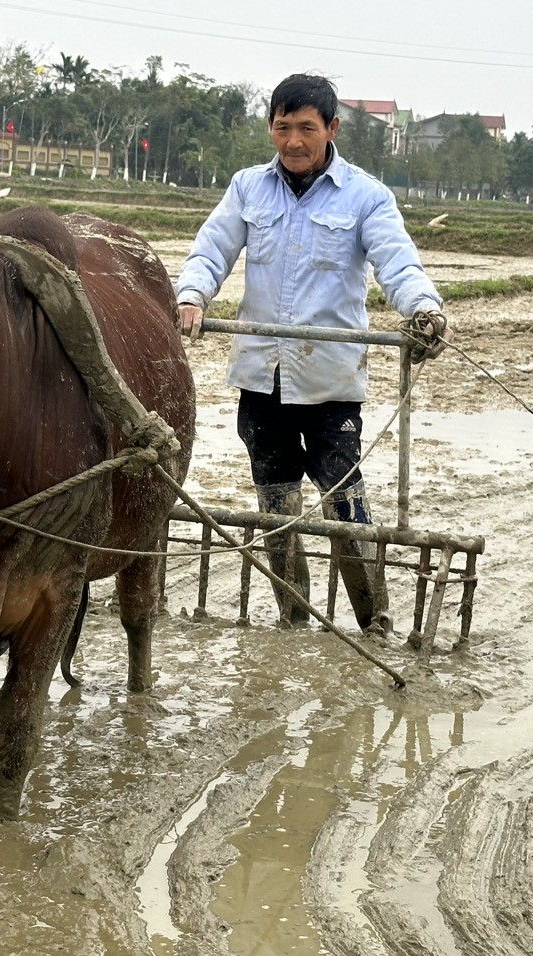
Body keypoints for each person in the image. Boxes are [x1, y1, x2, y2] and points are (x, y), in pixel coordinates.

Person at [174, 73, 451, 633]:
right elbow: (212, 249)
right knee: (275, 506)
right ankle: (292, 618)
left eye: (306, 128)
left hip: (329, 381)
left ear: (331, 128)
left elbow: (398, 263)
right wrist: (192, 295)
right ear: (271, 128)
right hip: (261, 377)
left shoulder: (366, 196)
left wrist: (423, 309)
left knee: (346, 505)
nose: (294, 142)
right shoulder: (249, 188)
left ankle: (375, 620)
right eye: (283, 128)